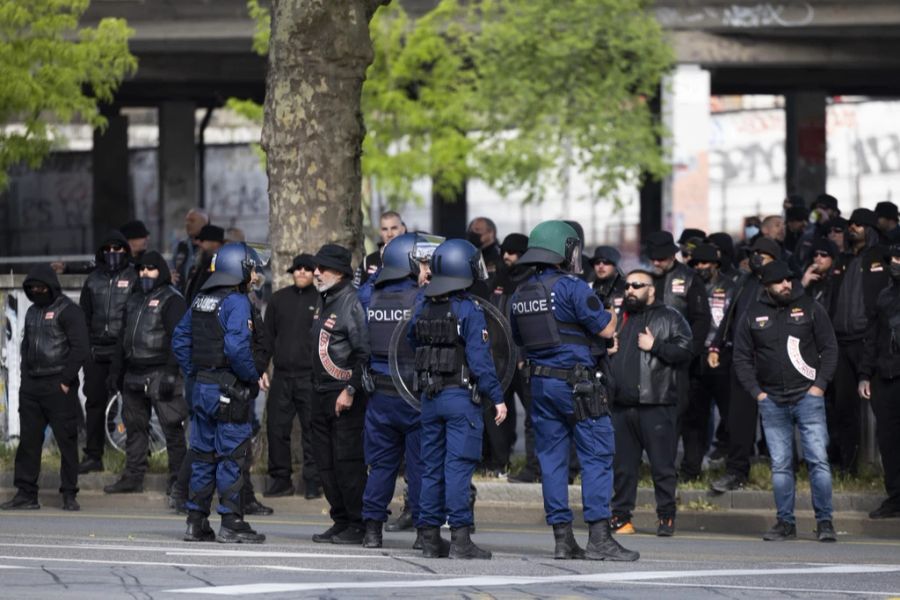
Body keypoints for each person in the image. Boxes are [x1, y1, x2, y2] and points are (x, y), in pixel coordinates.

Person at [510, 220, 637, 562]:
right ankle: (599, 537)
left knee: (551, 461)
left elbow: (519, 341)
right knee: (596, 455)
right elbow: (608, 327)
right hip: (578, 385)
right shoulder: (572, 287)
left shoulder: (519, 294)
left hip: (540, 385)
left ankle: (563, 540)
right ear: (565, 250)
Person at [409, 239, 507, 560]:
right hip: (460, 398)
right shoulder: (468, 309)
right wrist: (498, 397)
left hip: (429, 397)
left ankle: (428, 537)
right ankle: (461, 540)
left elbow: (412, 341)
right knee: (458, 468)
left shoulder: (423, 305)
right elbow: (480, 361)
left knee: (431, 468)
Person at [733, 261, 838, 542]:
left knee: (818, 461)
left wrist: (819, 387)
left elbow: (829, 348)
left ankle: (825, 522)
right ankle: (785, 523)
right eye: (779, 281)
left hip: (808, 396)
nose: (786, 285)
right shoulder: (752, 314)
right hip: (772, 400)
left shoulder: (811, 307)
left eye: (788, 280)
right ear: (766, 285)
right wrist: (758, 393)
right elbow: (741, 358)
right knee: (780, 465)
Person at [171, 242, 265, 543]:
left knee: (202, 455)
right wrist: (251, 377)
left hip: (203, 388)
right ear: (240, 268)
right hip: (230, 390)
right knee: (232, 456)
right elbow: (237, 348)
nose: (254, 273)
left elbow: (180, 339)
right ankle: (231, 522)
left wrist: (195, 373)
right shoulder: (236, 302)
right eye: (251, 267)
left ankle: (195, 522)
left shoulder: (202, 299)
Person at [608, 268, 692, 536]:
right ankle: (621, 517)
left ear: (651, 290)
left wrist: (655, 345)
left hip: (656, 403)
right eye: (627, 286)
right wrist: (607, 348)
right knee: (623, 467)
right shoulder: (621, 317)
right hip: (622, 405)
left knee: (662, 466)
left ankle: (666, 516)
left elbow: (686, 350)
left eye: (637, 285)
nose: (630, 290)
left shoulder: (670, 316)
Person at [357, 233, 426, 549]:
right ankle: (425, 534)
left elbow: (364, 294)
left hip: (380, 397)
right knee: (420, 467)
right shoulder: (420, 299)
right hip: (414, 396)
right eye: (421, 261)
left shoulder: (368, 297)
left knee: (381, 466)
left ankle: (372, 530)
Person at [1, 265, 89, 511]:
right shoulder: (31, 312)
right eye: (32, 289)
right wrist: (26, 383)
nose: (37, 292)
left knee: (66, 442)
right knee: (28, 442)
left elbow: (80, 348)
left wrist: (65, 381)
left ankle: (69, 494)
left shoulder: (69, 311)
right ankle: (26, 493)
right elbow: (25, 348)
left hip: (59, 386)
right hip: (32, 388)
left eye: (41, 287)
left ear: (51, 286)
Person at [104, 251, 188, 497]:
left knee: (172, 430)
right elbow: (123, 338)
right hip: (133, 373)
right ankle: (133, 477)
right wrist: (115, 372)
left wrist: (172, 374)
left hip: (161, 371)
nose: (144, 273)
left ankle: (178, 482)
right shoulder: (134, 298)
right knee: (134, 428)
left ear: (160, 270)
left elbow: (179, 338)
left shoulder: (172, 299)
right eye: (141, 269)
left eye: (150, 269)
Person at [308, 244, 371, 545]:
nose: (316, 273)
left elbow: (363, 353)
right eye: (315, 267)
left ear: (341, 272)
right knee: (326, 463)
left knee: (347, 462)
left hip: (343, 396)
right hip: (319, 394)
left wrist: (349, 390)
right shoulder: (324, 300)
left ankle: (358, 524)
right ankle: (341, 520)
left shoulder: (351, 303)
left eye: (323, 268)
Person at [708, 237, 782, 493]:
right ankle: (737, 471)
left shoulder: (782, 283)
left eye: (763, 254)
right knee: (739, 419)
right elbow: (729, 316)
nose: (757, 258)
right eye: (754, 253)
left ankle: (783, 470)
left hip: (773, 360)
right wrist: (716, 346)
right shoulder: (744, 281)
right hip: (742, 360)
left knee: (779, 418)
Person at [828, 208, 888, 474]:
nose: (852, 228)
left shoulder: (882, 257)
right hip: (841, 342)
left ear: (870, 229)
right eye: (850, 224)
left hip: (870, 341)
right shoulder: (841, 260)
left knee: (881, 407)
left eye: (858, 225)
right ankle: (848, 466)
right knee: (843, 407)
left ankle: (884, 467)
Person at [78, 230, 138, 474]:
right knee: (94, 404)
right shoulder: (93, 280)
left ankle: (136, 456)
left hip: (123, 351)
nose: (113, 254)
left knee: (132, 405)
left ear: (126, 250)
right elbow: (83, 316)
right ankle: (93, 455)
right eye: (108, 250)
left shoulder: (134, 277)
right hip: (96, 352)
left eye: (118, 249)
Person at [261, 253, 322, 500]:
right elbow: (266, 338)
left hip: (310, 376)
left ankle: (312, 482)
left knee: (312, 430)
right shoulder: (278, 299)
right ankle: (280, 479)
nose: (302, 272)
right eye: (297, 268)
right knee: (276, 428)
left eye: (307, 269)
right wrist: (261, 368)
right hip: (282, 375)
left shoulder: (321, 300)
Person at [680, 243, 741, 480]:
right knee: (694, 417)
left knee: (731, 415)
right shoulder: (688, 286)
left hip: (723, 358)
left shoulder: (731, 287)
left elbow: (732, 322)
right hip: (695, 357)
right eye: (695, 264)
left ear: (715, 263)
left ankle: (735, 468)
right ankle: (691, 469)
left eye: (704, 263)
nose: (700, 268)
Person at [858, 244, 900, 519]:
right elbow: (872, 338)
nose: (894, 263)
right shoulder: (885, 295)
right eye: (892, 259)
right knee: (889, 443)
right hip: (885, 378)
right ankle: (895, 497)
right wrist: (864, 374)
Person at [356, 211, 406, 286]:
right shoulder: (367, 262)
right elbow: (357, 292)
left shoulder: (413, 259)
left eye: (394, 228)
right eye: (385, 229)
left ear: (403, 229)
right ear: (380, 232)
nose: (389, 234)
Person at [184, 225, 225, 303]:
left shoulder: (223, 268)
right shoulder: (199, 267)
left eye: (202, 240)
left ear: (215, 243)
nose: (198, 243)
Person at [172, 209, 208, 292]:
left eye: (192, 221)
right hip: (181, 296)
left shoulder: (209, 247)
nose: (187, 224)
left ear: (204, 223)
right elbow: (173, 268)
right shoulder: (181, 246)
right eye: (186, 221)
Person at [801, 238, 839, 310]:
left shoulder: (838, 280)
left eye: (823, 255)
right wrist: (802, 285)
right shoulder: (808, 278)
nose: (818, 258)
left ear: (832, 259)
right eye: (815, 254)